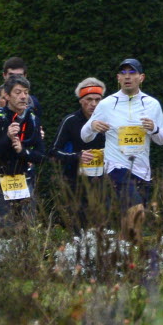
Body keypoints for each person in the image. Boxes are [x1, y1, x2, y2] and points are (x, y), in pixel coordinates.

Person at [80, 58, 163, 240]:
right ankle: (131, 254)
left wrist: (153, 128)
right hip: (116, 166)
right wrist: (93, 126)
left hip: (142, 169)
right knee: (137, 212)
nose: (127, 77)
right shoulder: (106, 104)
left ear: (141, 77)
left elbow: (162, 140)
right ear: (118, 78)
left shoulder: (152, 104)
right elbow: (84, 135)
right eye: (123, 73)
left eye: (132, 73)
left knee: (131, 217)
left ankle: (124, 253)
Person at [0, 75, 45, 228]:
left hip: (24, 179)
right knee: (4, 228)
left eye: (26, 92)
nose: (23, 96)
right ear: (6, 95)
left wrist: (23, 151)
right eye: (18, 92)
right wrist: (6, 139)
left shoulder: (33, 119)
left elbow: (41, 156)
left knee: (29, 227)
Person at [51, 78, 108, 221]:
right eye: (89, 99)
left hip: (103, 181)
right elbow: (53, 151)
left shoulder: (109, 120)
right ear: (81, 101)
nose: (93, 104)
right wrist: (77, 156)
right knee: (79, 225)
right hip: (76, 182)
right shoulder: (70, 121)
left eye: (97, 99)